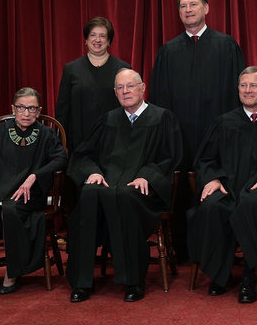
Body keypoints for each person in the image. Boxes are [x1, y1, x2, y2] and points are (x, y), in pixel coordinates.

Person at [65, 69, 182, 303]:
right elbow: (83, 155)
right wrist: (93, 173)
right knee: (89, 194)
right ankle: (82, 281)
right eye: (120, 87)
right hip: (107, 184)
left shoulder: (163, 118)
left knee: (127, 197)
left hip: (141, 190)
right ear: (115, 92)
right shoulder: (108, 120)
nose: (125, 91)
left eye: (130, 86)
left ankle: (133, 281)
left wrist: (147, 175)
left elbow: (172, 157)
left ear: (142, 87)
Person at [150, 0, 246, 261]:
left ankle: (222, 248)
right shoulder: (168, 51)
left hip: (218, 137)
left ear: (206, 8)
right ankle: (183, 250)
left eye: (193, 4)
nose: (188, 9)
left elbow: (240, 94)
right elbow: (159, 100)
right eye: (183, 6)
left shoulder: (226, 45)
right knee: (182, 192)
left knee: (218, 188)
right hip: (180, 137)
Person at [187, 67, 257, 303]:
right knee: (212, 207)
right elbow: (205, 159)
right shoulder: (225, 122)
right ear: (238, 89)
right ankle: (220, 274)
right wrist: (213, 179)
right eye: (243, 85)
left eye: (254, 85)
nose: (248, 90)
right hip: (228, 188)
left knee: (250, 205)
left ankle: (248, 276)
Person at [0, 87, 68, 296]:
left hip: (27, 194)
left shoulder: (46, 134)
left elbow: (61, 159)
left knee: (13, 210)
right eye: (21, 107)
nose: (26, 113)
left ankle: (13, 272)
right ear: (13, 108)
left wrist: (35, 176)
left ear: (39, 109)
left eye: (32, 108)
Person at [55, 16, 132, 214]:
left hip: (114, 141)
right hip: (79, 142)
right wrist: (62, 143)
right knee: (82, 195)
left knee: (111, 191)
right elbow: (62, 109)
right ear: (86, 39)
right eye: (93, 35)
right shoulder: (72, 68)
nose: (97, 40)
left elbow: (131, 106)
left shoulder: (122, 68)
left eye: (102, 36)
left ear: (109, 40)